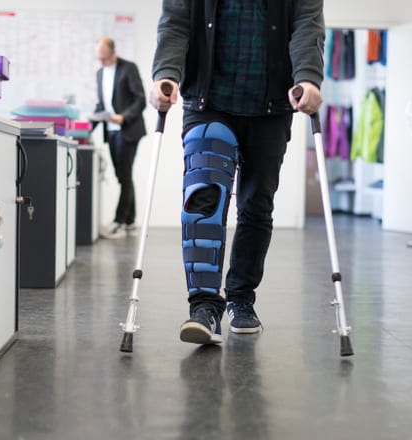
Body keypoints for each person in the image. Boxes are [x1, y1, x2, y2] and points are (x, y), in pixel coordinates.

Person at [148, 0, 325, 344]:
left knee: (256, 206)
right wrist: (165, 74)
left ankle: (241, 298)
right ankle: (203, 307)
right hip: (208, 102)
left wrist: (308, 77)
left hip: (271, 104)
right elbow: (175, 24)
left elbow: (307, 25)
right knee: (202, 198)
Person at [94, 37, 147, 238]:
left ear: (112, 53)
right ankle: (130, 221)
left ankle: (119, 221)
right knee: (122, 176)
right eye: (99, 59)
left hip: (128, 130)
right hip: (111, 131)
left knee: (124, 175)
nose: (102, 63)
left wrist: (123, 117)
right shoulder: (100, 74)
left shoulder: (128, 68)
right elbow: (101, 105)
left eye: (105, 59)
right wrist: (85, 130)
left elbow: (140, 99)